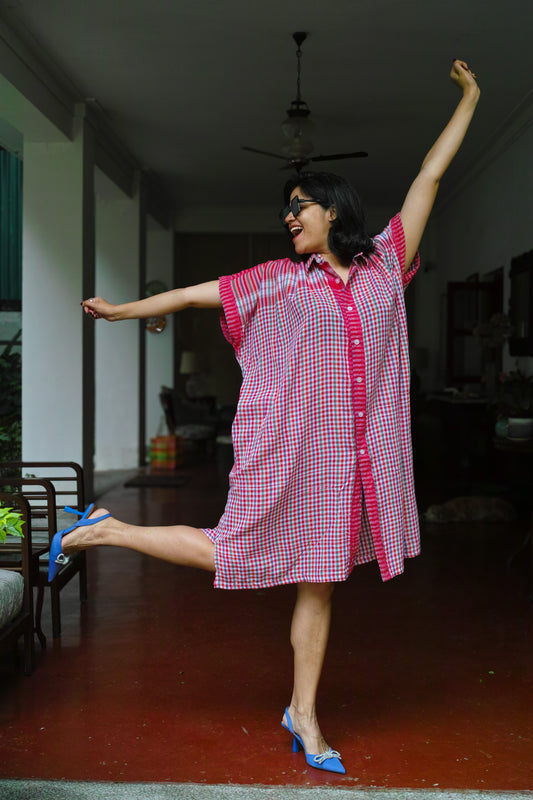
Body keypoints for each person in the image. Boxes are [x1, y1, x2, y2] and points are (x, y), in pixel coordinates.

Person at [54, 59, 479, 774]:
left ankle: (303, 714)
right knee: (234, 551)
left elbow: (429, 178)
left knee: (320, 586)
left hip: (356, 465)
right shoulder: (277, 280)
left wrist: (470, 98)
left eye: (297, 206)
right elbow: (196, 294)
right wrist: (124, 309)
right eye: (286, 209)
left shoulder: (383, 265)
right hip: (294, 456)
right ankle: (110, 530)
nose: (287, 218)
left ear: (333, 210)